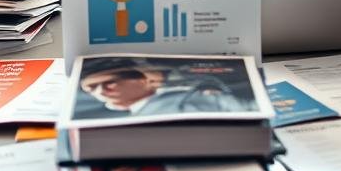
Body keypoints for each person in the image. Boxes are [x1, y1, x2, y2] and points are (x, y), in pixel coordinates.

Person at [76, 61, 246, 117]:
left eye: (109, 83)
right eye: (91, 89)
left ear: (142, 80)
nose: (100, 92)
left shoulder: (186, 99)